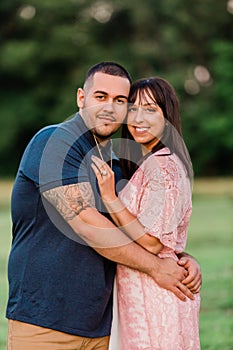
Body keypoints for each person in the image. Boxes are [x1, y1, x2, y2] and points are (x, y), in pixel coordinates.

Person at [6, 62, 201, 350]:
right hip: (45, 322)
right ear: (81, 98)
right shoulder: (54, 143)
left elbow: (137, 229)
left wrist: (181, 257)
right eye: (101, 97)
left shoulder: (116, 165)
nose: (110, 107)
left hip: (103, 327)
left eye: (120, 100)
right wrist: (157, 268)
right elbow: (88, 225)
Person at [92, 76, 201, 349]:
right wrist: (182, 255)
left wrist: (110, 197)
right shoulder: (149, 164)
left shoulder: (163, 168)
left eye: (150, 109)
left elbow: (153, 242)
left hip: (155, 294)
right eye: (133, 108)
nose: (139, 118)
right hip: (144, 290)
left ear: (167, 116)